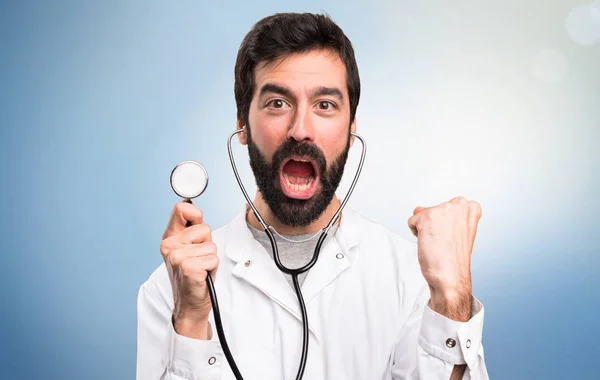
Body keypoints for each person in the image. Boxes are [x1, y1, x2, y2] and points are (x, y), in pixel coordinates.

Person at [137, 12, 489, 380]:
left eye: (325, 105)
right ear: (242, 122)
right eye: (277, 103)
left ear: (352, 126)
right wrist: (191, 319)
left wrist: (452, 300)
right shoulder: (171, 288)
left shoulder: (413, 278)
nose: (300, 130)